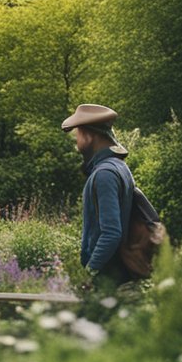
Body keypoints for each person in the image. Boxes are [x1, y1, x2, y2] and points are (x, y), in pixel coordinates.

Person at [62, 103, 133, 287]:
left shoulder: (104, 174)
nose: (76, 140)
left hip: (107, 279)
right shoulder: (119, 166)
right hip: (115, 276)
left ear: (89, 135)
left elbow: (111, 233)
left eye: (78, 133)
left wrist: (90, 272)